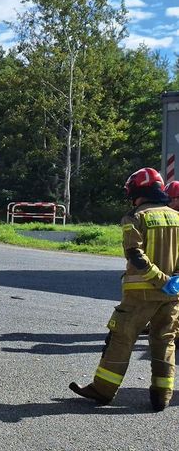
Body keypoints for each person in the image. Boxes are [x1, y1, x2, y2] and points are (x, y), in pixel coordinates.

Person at [71, 167, 179, 412]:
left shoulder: (135, 217)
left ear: (136, 191)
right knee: (165, 341)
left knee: (120, 338)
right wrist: (174, 280)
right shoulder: (176, 217)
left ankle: (103, 390)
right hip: (173, 294)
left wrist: (159, 279)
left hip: (140, 294)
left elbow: (135, 255)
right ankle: (162, 395)